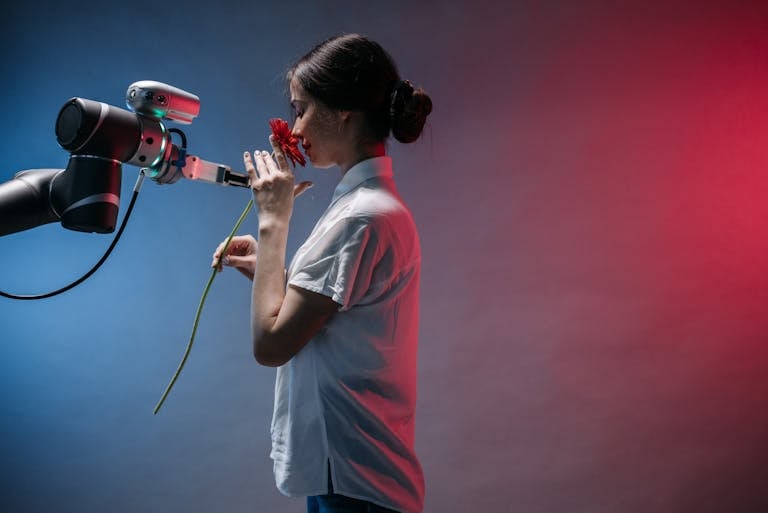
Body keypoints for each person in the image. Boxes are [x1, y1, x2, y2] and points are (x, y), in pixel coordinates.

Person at [211, 33, 432, 513]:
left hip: (355, 479)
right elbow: (331, 314)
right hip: (352, 470)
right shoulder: (366, 207)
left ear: (343, 110)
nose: (294, 128)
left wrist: (273, 222)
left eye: (301, 109)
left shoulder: (361, 216)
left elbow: (271, 345)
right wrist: (269, 269)